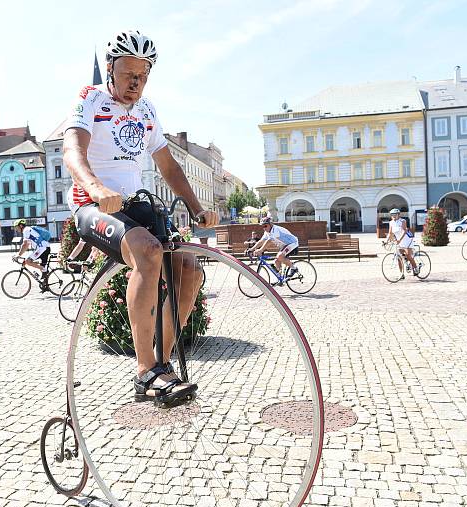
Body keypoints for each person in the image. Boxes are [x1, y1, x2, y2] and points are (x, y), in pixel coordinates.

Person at [63, 30, 219, 404]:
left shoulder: (147, 111)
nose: (135, 83)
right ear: (111, 69)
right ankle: (145, 369)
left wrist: (196, 207)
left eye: (143, 76)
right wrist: (97, 188)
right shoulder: (91, 99)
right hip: (94, 207)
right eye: (128, 73)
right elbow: (72, 151)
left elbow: (168, 166)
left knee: (189, 270)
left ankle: (162, 366)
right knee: (148, 252)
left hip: (136, 205)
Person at [246, 216, 300, 281]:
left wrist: (260, 250)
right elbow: (261, 241)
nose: (264, 228)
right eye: (263, 226)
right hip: (285, 246)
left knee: (279, 256)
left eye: (265, 226)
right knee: (276, 261)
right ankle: (280, 280)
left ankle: (293, 268)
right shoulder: (267, 232)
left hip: (292, 243)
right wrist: (251, 249)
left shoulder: (276, 230)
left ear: (270, 224)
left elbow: (269, 241)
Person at [385, 208, 419, 276]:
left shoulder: (402, 221)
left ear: (398, 215)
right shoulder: (391, 222)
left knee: (408, 255)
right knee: (399, 257)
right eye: (392, 215)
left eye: (395, 214)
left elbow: (404, 231)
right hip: (399, 241)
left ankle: (415, 268)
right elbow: (390, 233)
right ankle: (401, 274)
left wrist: (399, 240)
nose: (393, 216)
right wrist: (386, 241)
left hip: (407, 240)